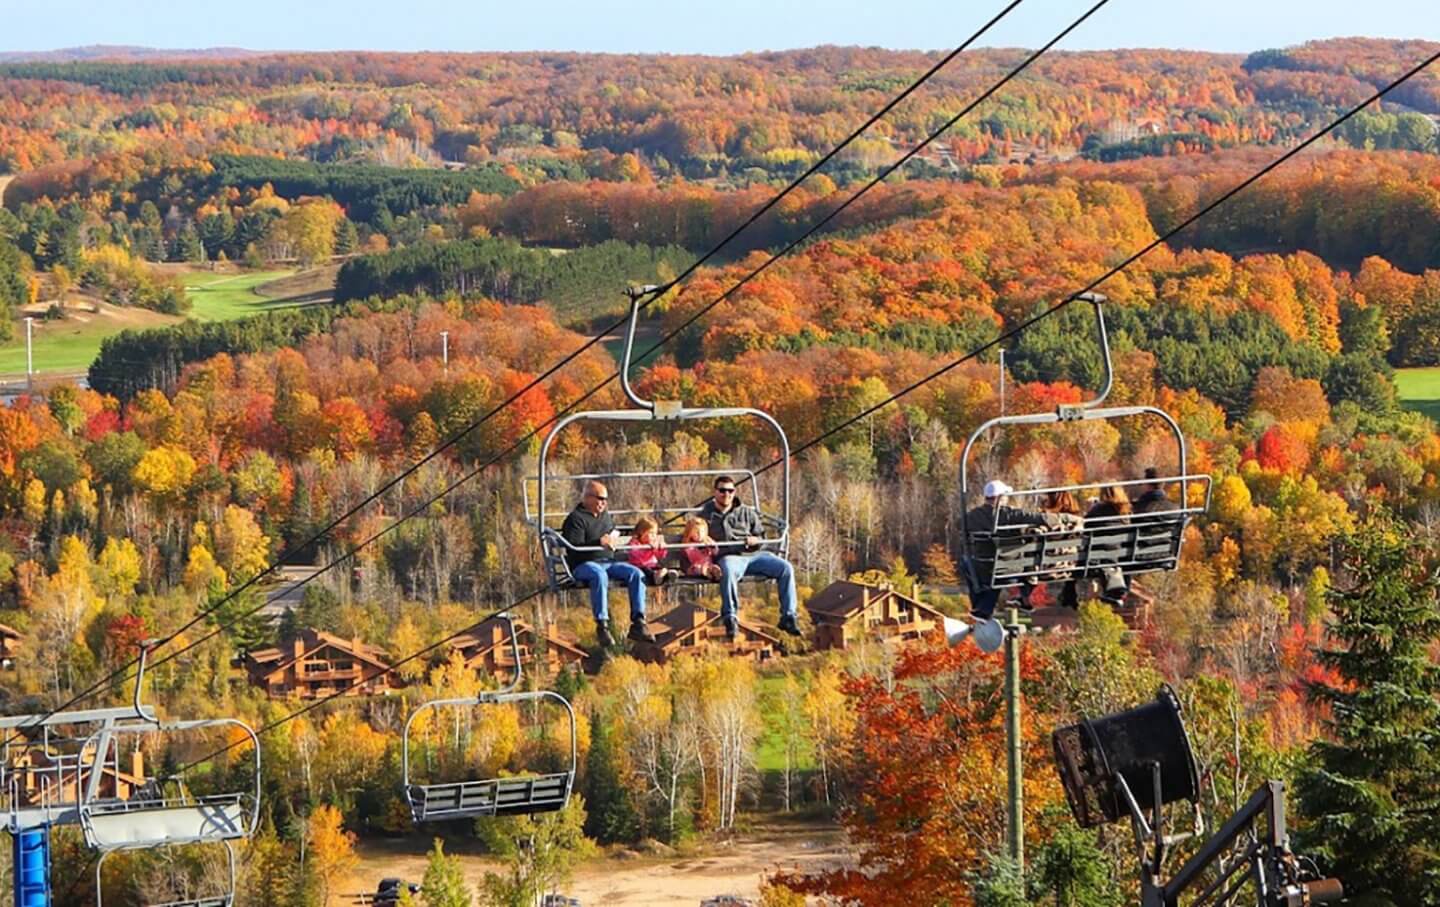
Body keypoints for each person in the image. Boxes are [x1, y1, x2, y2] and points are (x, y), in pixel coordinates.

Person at [698, 476, 800, 640]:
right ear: (715, 492)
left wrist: (755, 541)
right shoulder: (706, 515)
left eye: (730, 490)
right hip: (729, 557)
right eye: (722, 490)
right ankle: (730, 617)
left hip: (753, 556)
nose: (726, 494)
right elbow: (694, 534)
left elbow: (761, 535)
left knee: (785, 568)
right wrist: (704, 539)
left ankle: (789, 616)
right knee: (727, 569)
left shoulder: (746, 512)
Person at [962, 479, 1078, 620]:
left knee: (968, 563)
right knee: (1018, 562)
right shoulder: (1009, 514)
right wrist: (1068, 518)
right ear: (1001, 497)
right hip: (1010, 568)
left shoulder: (973, 516)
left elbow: (959, 525)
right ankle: (1017, 600)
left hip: (981, 565)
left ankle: (981, 607)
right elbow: (1040, 518)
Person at [561, 480, 654, 647]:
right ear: (587, 497)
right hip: (584, 564)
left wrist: (616, 538)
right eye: (600, 498)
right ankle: (602, 625)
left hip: (608, 562)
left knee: (636, 573)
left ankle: (639, 622)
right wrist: (598, 542)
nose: (603, 503)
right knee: (599, 574)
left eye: (605, 499)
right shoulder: (575, 519)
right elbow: (573, 548)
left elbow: (613, 532)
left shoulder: (605, 517)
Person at [628, 517, 680, 586]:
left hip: (653, 565)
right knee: (647, 571)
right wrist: (648, 549)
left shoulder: (654, 541)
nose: (653, 535)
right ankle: (657, 576)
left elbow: (661, 555)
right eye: (651, 533)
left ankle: (666, 574)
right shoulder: (634, 542)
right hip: (639, 566)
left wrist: (661, 548)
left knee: (660, 568)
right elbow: (637, 555)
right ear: (642, 532)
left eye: (655, 533)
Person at [679, 515, 723, 580]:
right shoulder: (688, 546)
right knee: (698, 568)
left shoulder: (707, 541)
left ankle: (715, 572)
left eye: (702, 532)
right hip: (695, 567)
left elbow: (715, 552)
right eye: (696, 532)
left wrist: (712, 546)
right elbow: (684, 562)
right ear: (690, 533)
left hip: (708, 564)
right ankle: (707, 573)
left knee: (713, 567)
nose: (700, 534)